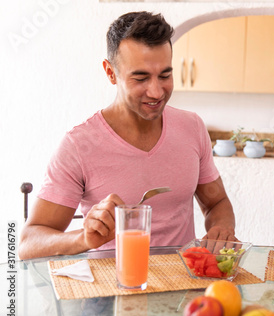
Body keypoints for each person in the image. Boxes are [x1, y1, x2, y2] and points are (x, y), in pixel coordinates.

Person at [19, 11, 236, 259]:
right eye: (141, 77)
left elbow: (217, 203)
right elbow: (27, 243)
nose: (156, 92)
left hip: (182, 288)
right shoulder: (79, 145)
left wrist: (221, 228)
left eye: (165, 75)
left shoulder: (192, 127)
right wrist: (83, 237)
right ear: (110, 73)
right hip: (109, 291)